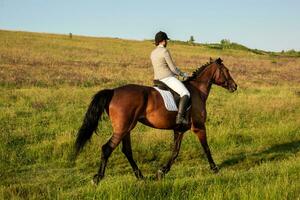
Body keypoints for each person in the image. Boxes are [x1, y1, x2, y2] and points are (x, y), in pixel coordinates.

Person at [150, 31, 190, 125]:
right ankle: (179, 118)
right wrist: (183, 74)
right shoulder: (164, 51)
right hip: (167, 78)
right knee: (185, 93)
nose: (167, 42)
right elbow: (173, 69)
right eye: (166, 40)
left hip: (157, 79)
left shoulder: (153, 53)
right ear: (163, 41)